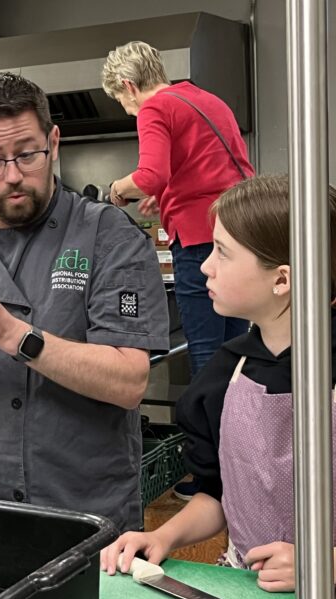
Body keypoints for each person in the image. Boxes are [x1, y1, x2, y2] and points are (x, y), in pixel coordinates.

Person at [0, 72, 169, 531]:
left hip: (85, 515)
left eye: (27, 154)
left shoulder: (108, 236)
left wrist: (11, 333)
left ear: (54, 142)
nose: (14, 175)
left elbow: (128, 381)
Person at [100, 175, 336, 593]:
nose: (205, 265)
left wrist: (324, 563)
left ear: (282, 280)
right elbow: (218, 494)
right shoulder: (224, 374)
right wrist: (163, 537)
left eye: (222, 253)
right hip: (243, 584)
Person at [102, 41, 255, 377]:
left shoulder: (154, 108)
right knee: (234, 351)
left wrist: (116, 189)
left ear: (128, 86)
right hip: (241, 237)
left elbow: (149, 176)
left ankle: (206, 430)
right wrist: (170, 193)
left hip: (200, 242)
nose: (127, 109)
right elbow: (218, 170)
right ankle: (233, 430)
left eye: (121, 101)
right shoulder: (208, 100)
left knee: (205, 353)